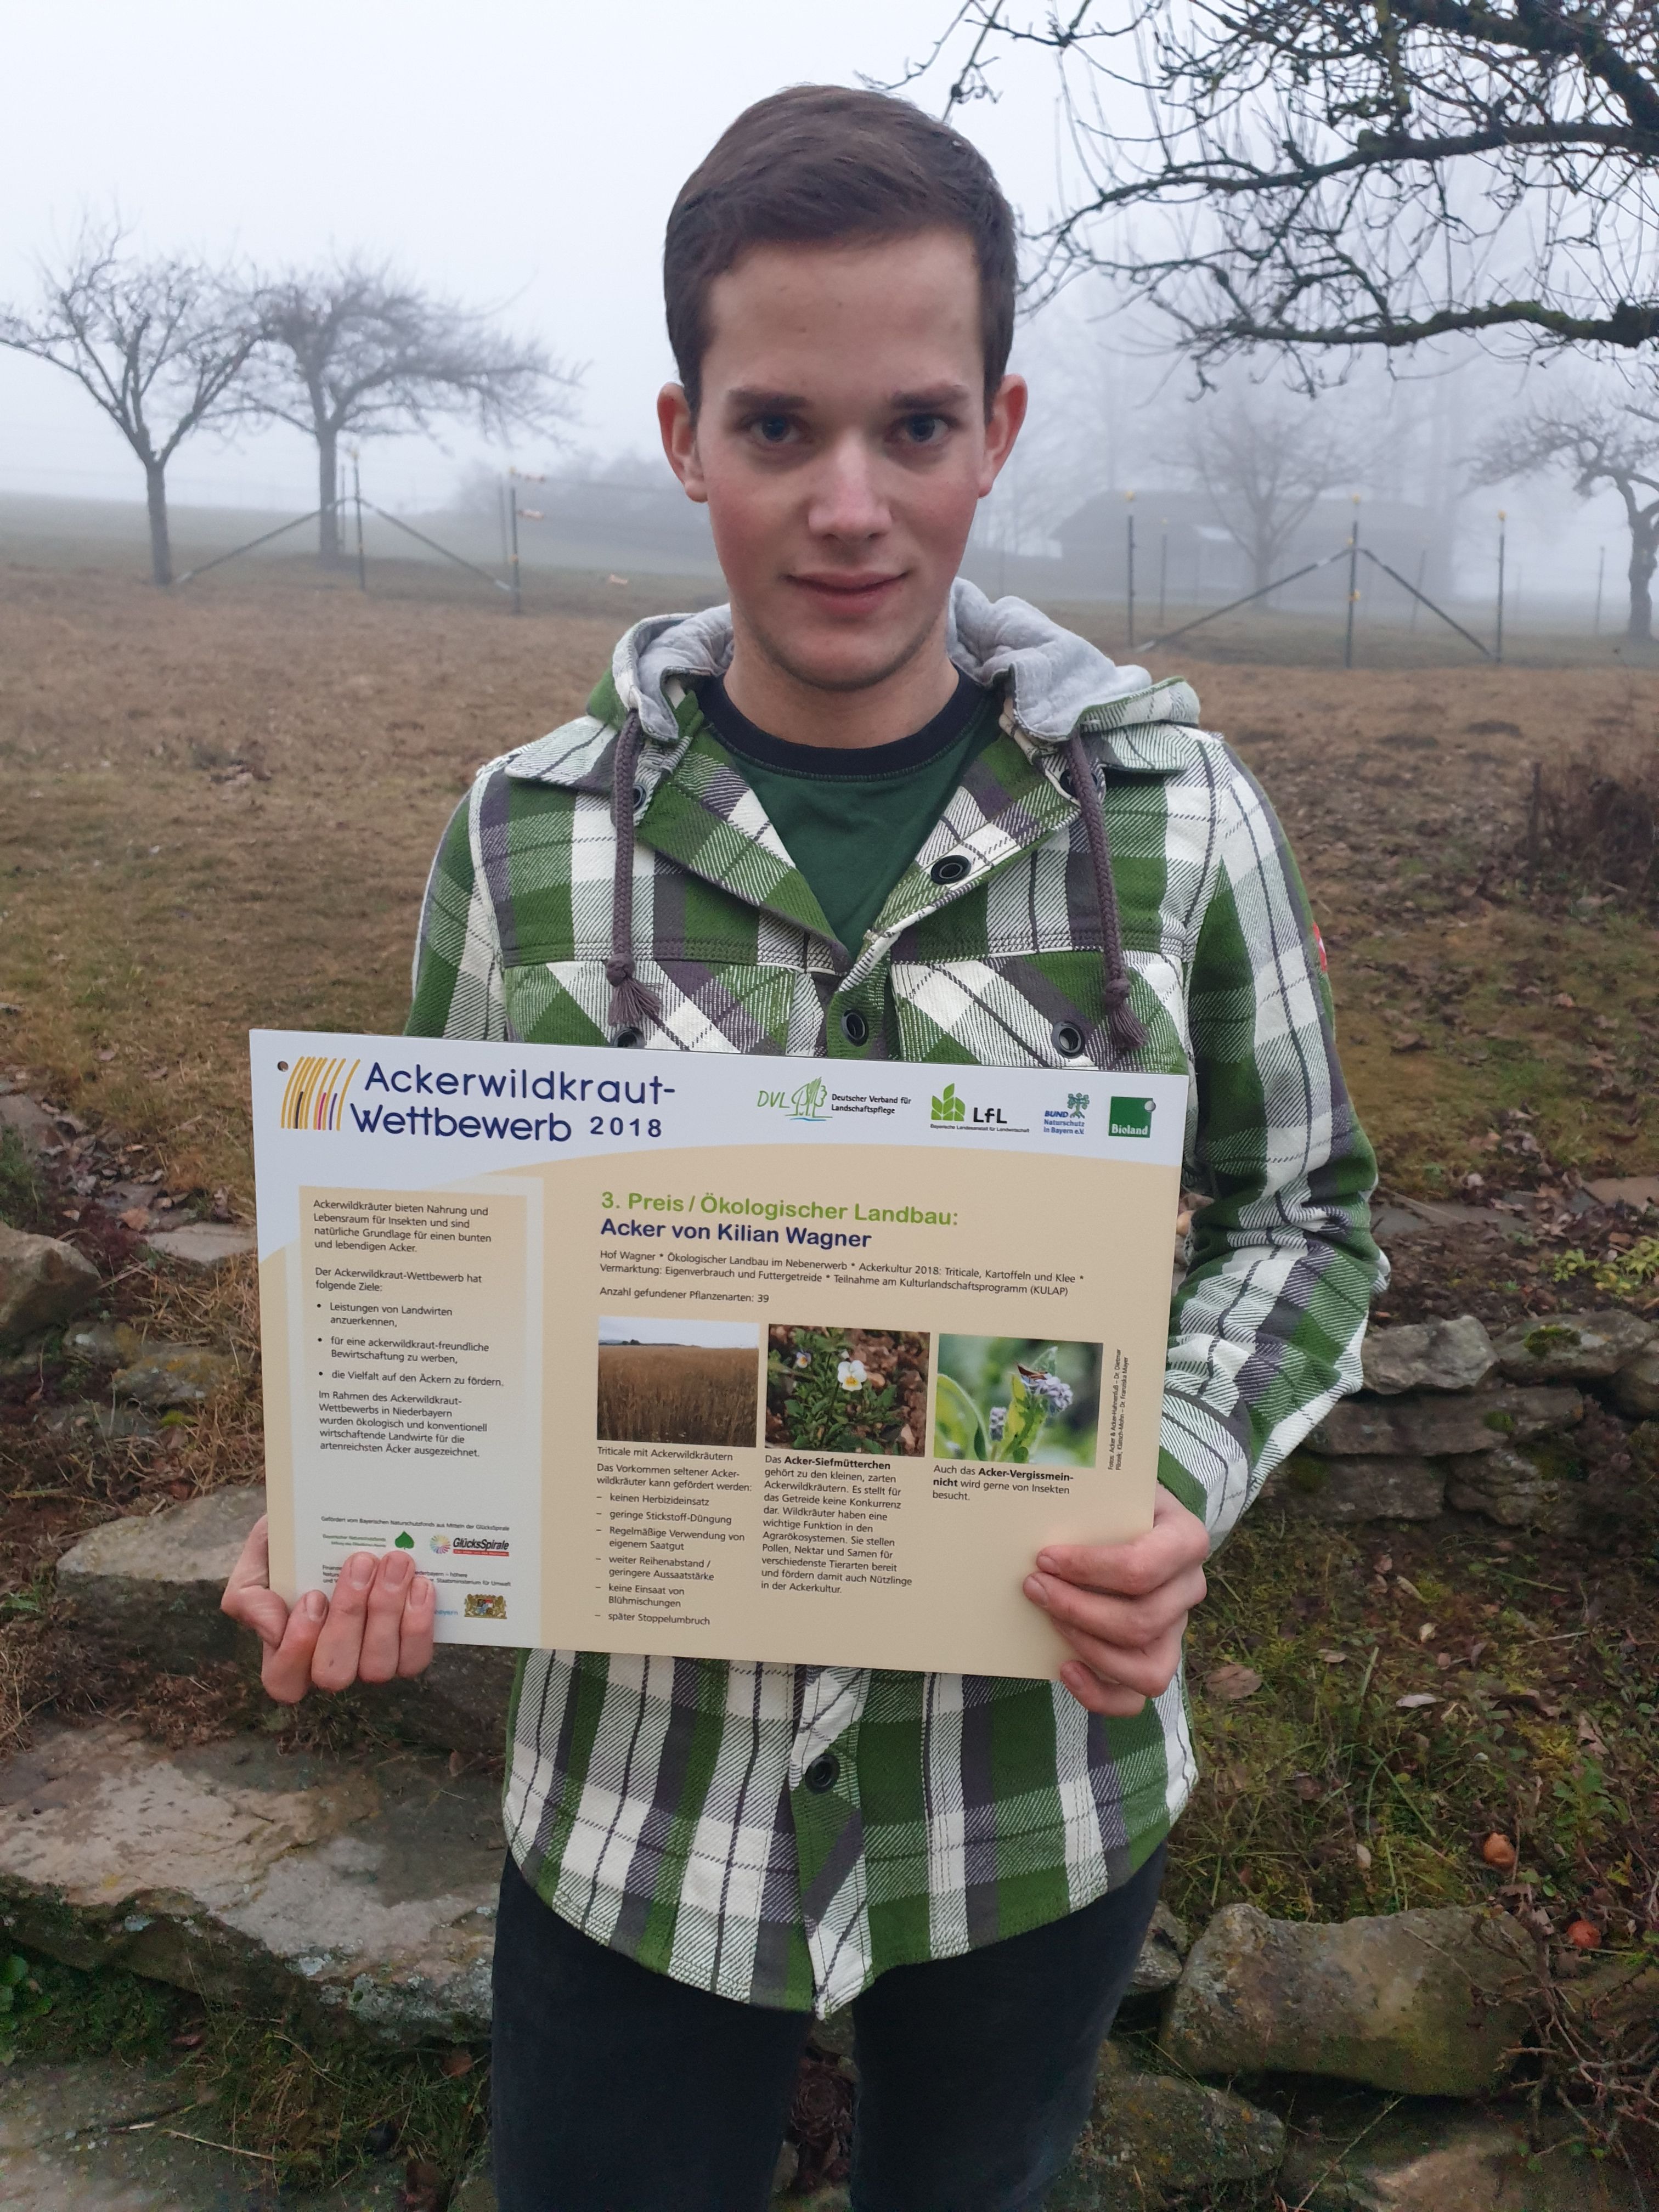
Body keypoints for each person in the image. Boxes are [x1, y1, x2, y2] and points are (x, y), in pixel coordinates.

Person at [222, 84, 1383, 2212]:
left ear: (1000, 427)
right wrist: (363, 1513)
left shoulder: (1180, 826)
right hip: (642, 1813)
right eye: (778, 430)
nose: (851, 504)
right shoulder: (523, 842)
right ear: (686, 436)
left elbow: (1309, 1211)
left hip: (1023, 1790)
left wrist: (1177, 1475)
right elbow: (433, 1269)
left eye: (915, 428)